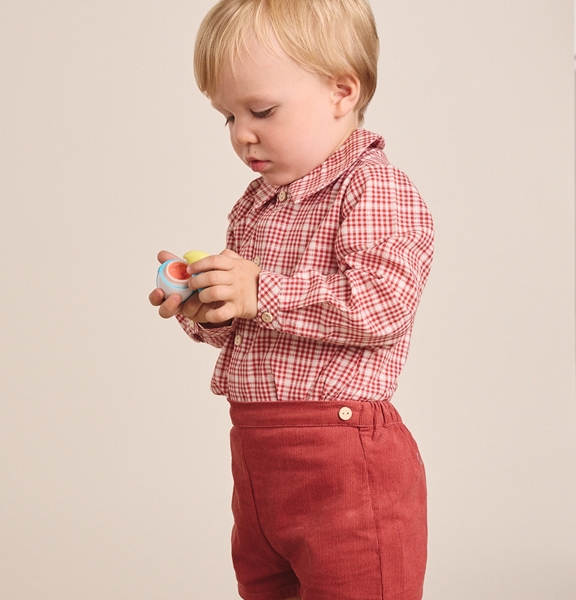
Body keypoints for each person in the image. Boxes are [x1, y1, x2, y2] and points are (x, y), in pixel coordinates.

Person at [149, 1, 434, 598]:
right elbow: (253, 325)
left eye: (261, 110)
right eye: (225, 116)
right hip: (256, 457)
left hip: (343, 458)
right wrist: (208, 309)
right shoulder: (256, 203)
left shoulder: (373, 186)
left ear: (341, 92)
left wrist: (257, 290)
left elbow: (382, 304)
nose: (242, 133)